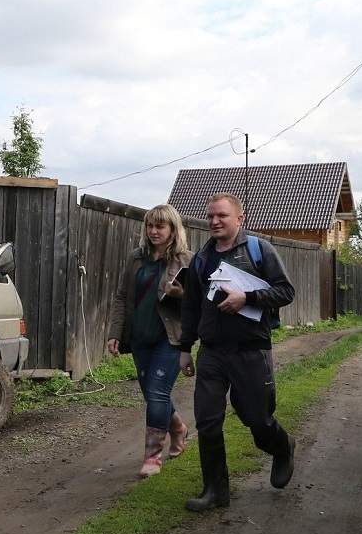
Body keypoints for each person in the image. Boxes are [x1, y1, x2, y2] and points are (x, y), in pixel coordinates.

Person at [177, 192, 296, 511]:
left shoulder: (259, 250)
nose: (214, 221)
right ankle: (215, 491)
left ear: (239, 219)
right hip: (213, 352)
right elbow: (191, 306)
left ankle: (282, 447)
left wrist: (248, 297)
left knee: (256, 419)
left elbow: (286, 292)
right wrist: (185, 348)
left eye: (222, 216)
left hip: (251, 350)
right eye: (210, 216)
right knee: (207, 420)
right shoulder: (201, 258)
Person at [106, 204, 194, 478]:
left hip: (170, 340)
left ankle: (152, 457)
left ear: (172, 229)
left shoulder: (186, 261)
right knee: (152, 394)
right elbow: (122, 297)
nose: (154, 231)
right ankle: (178, 426)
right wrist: (115, 332)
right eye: (150, 226)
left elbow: (200, 304)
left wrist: (181, 294)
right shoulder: (136, 258)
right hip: (140, 338)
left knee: (157, 393)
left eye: (160, 226)